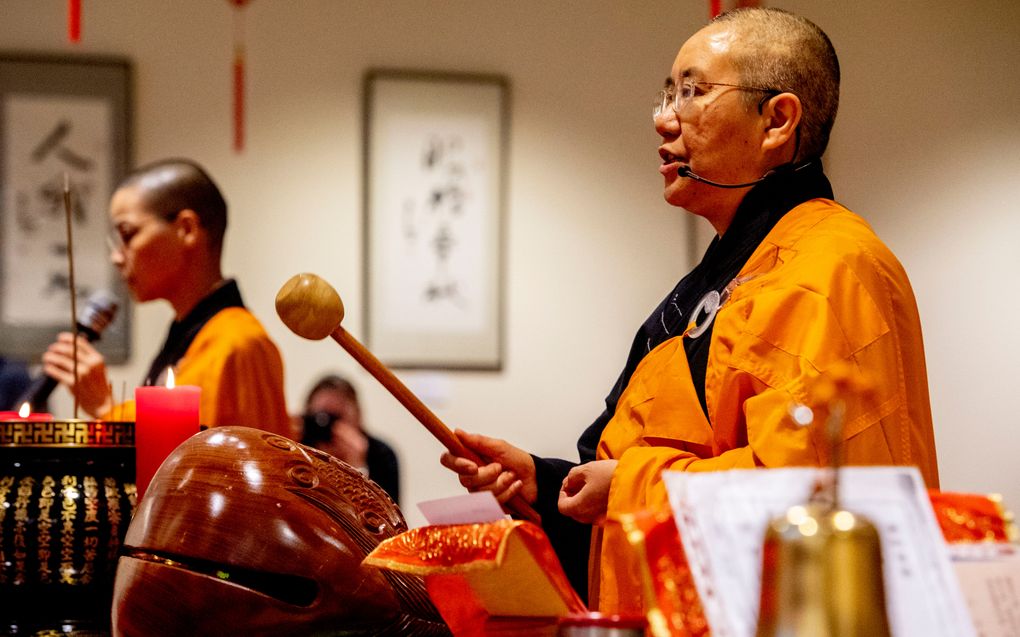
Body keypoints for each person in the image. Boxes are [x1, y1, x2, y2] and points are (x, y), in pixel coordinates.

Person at [441, 7, 938, 614]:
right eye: (667, 93)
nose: (662, 117)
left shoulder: (832, 269)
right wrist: (547, 485)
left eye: (693, 92)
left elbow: (815, 503)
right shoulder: (725, 274)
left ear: (777, 121)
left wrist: (624, 487)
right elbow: (662, 468)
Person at [40, 158, 290, 435]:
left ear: (186, 229)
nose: (116, 257)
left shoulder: (240, 343)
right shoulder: (193, 333)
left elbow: (200, 464)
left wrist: (104, 407)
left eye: (127, 234)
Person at [299, 374, 401, 504]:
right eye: (321, 419)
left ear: (358, 418)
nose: (330, 428)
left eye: (338, 418)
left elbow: (390, 519)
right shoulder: (299, 449)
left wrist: (357, 469)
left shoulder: (380, 454)